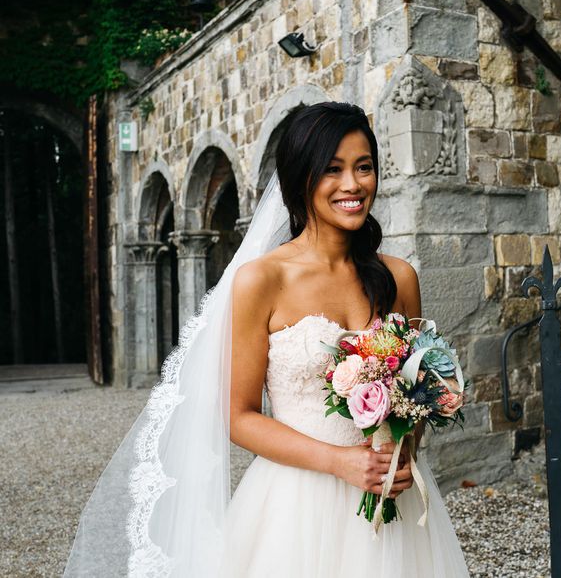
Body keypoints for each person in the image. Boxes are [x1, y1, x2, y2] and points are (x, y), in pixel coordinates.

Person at [63, 102, 469, 577]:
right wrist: (339, 462)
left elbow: (416, 389)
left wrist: (404, 451)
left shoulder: (400, 278)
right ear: (300, 179)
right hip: (294, 503)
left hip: (389, 496)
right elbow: (238, 417)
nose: (353, 185)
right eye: (332, 170)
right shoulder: (262, 279)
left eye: (364, 168)